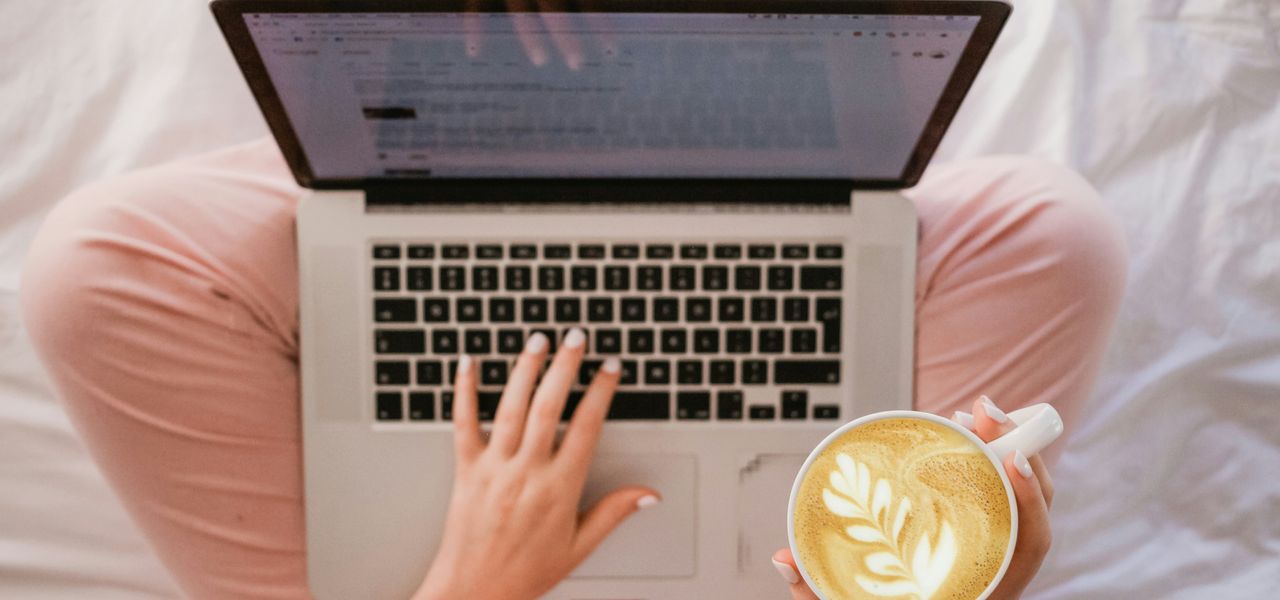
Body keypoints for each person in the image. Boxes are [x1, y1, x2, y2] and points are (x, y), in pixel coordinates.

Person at [20, 137, 1127, 598]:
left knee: (98, 269)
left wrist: (469, 584)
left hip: (453, 149)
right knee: (1046, 233)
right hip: (746, 154)